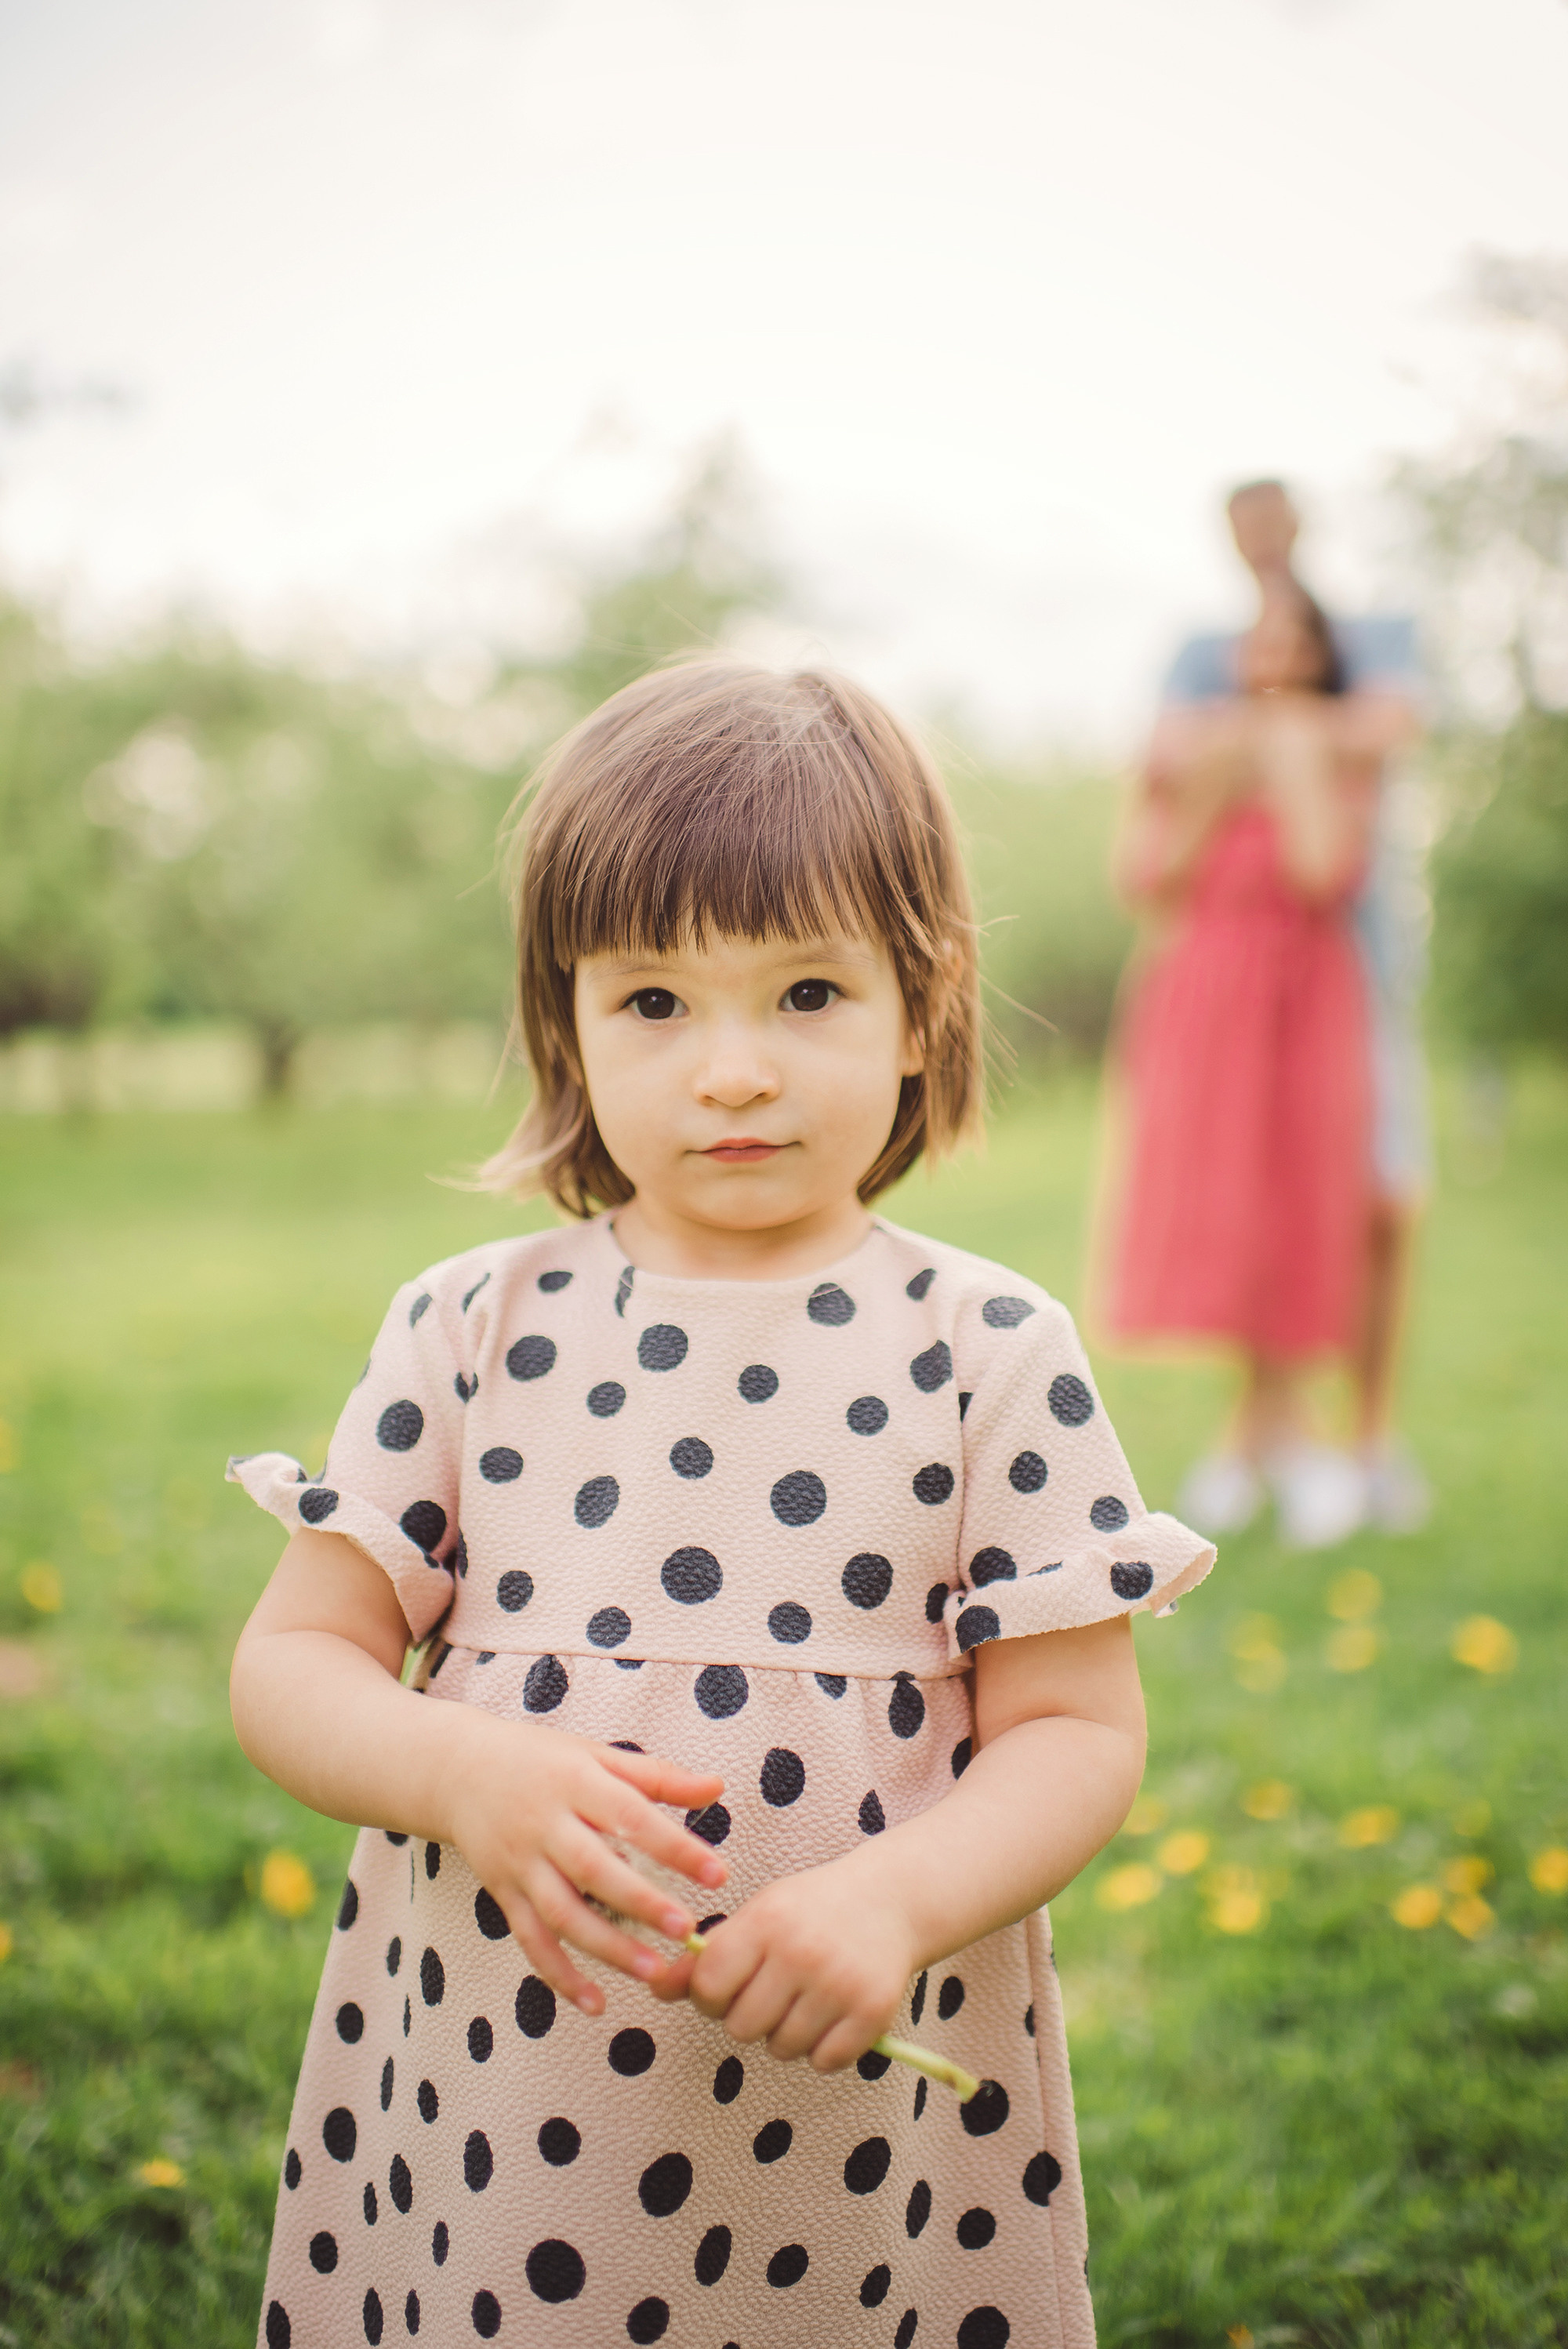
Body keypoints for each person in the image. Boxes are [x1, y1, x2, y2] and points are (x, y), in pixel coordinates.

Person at [227, 659, 1214, 2349]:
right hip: (507, 2083)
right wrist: (458, 1767)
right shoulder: (471, 1326)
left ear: (923, 1005)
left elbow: (1076, 1735)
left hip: (850, 2111)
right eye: (657, 1003)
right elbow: (295, 1661)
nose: (733, 1071)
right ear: (569, 1019)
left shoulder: (987, 1349)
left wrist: (896, 1902)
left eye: (808, 992)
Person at [1105, 561, 1416, 1549]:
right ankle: (1267, 1436)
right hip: (1208, 998)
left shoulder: (1333, 754)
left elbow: (1326, 867)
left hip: (1309, 996)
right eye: (1259, 645)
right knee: (1231, 1203)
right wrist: (1213, 783)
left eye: (1295, 646)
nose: (1273, 662)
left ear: (1321, 662)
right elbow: (1148, 876)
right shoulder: (1189, 751)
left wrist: (1285, 764)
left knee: (1307, 1198)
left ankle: (1308, 1440)